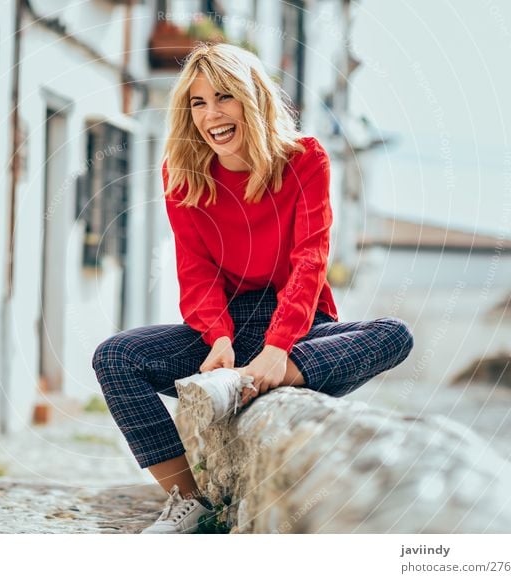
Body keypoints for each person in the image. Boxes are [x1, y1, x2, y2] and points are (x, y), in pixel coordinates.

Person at [92, 42, 414, 534]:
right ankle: (191, 503)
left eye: (224, 98)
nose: (211, 115)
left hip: (300, 333)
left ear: (253, 98)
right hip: (225, 332)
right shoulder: (182, 175)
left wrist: (279, 353)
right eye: (198, 103)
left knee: (395, 334)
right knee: (115, 357)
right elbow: (195, 270)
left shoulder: (305, 158)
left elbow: (311, 259)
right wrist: (218, 339)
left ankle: (282, 377)